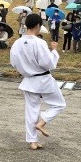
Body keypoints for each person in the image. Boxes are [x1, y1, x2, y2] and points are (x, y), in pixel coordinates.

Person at [9, 13, 66, 151]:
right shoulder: (39, 42)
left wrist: (26, 69)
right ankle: (42, 122)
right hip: (43, 79)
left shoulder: (17, 43)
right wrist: (54, 51)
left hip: (28, 80)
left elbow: (14, 63)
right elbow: (48, 63)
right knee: (59, 104)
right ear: (38, 26)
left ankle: (33, 142)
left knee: (31, 110)